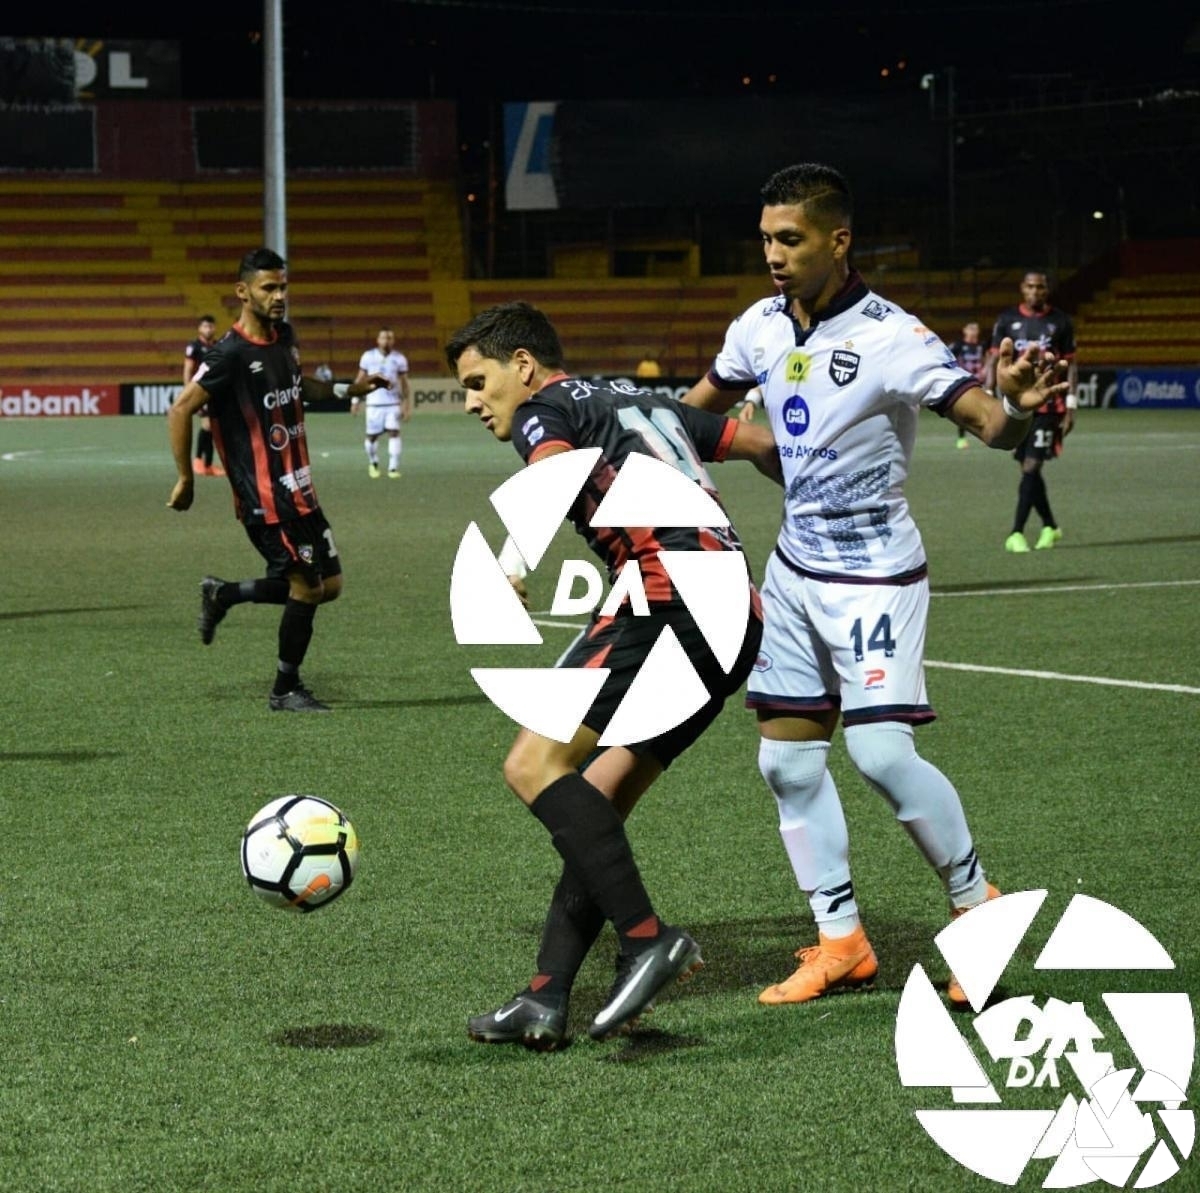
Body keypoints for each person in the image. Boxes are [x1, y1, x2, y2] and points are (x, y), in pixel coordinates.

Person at [683, 162, 1069, 1007]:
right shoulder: (758, 327)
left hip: (873, 573)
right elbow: (697, 408)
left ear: (838, 240)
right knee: (787, 764)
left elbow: (990, 424)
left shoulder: (893, 335)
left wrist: (1018, 406)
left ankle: (979, 911)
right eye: (766, 239)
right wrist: (680, 438)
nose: (774, 255)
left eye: (791, 240)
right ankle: (842, 943)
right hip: (793, 571)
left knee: (882, 754)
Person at [445, 301, 782, 1049]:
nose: (472, 402)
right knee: (595, 800)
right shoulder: (641, 400)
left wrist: (511, 562)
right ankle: (545, 995)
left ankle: (646, 939)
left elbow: (551, 471)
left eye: (477, 382)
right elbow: (761, 444)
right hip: (736, 613)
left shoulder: (545, 408)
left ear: (522, 365)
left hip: (669, 598)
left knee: (532, 764)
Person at [166, 248, 386, 712]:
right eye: (269, 288)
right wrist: (186, 477)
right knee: (307, 588)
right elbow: (181, 408)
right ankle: (285, 690)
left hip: (301, 489)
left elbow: (302, 388)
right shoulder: (229, 354)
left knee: (329, 586)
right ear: (243, 292)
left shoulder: (284, 336)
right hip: (265, 500)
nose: (279, 296)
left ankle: (223, 594)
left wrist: (350, 389)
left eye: (283, 286)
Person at [984, 271, 1078, 552]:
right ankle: (1050, 526)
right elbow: (994, 360)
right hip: (1016, 405)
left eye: (1040, 287)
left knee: (1031, 467)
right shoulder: (1006, 320)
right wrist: (987, 394)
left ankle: (1016, 533)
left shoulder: (1060, 321)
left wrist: (1071, 406)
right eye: (1030, 286)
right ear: (1022, 289)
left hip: (1049, 406)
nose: (1035, 291)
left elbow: (1071, 365)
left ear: (1046, 290)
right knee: (1028, 470)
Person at [352, 327, 411, 478]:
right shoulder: (368, 356)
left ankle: (393, 468)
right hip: (374, 405)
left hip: (393, 404)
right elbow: (360, 379)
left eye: (389, 338)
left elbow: (404, 383)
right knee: (372, 437)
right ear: (378, 340)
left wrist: (406, 405)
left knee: (394, 432)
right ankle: (373, 462)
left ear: (393, 340)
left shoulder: (399, 358)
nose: (386, 341)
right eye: (384, 338)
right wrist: (355, 400)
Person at [184, 314, 224, 477]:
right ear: (199, 328)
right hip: (200, 389)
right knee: (207, 425)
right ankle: (199, 461)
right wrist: (188, 391)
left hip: (214, 390)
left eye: (211, 326)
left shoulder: (217, 345)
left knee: (212, 427)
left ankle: (207, 464)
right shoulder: (194, 347)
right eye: (205, 326)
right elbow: (188, 370)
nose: (208, 329)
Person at [946, 320, 986, 449]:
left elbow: (986, 359)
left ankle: (985, 435)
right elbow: (947, 356)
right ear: (965, 331)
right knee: (964, 412)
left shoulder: (981, 345)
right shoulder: (958, 345)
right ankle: (961, 438)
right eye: (971, 329)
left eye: (975, 329)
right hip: (965, 382)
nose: (973, 332)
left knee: (985, 410)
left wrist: (985, 371)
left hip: (980, 381)